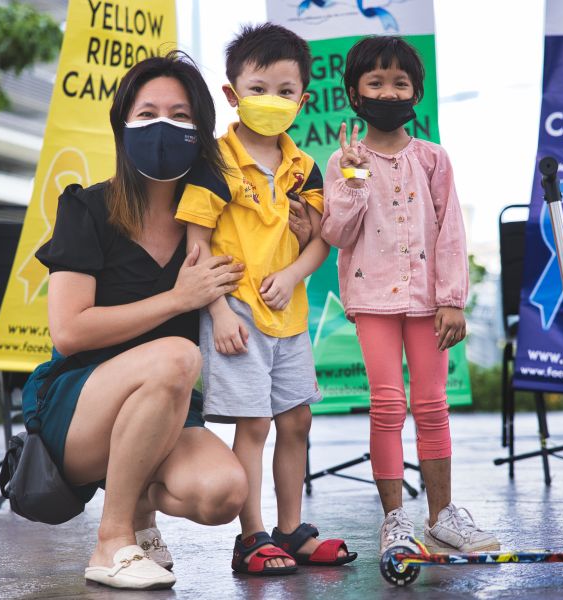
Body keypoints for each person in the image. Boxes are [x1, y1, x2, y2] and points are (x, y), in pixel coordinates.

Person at [20, 52, 249, 591]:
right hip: (80, 408)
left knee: (223, 493)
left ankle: (140, 507)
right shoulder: (88, 209)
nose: (163, 127)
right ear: (122, 125)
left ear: (201, 130)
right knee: (178, 355)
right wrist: (177, 299)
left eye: (180, 115)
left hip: (167, 409)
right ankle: (113, 540)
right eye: (147, 114)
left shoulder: (213, 222)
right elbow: (69, 332)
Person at [175, 23, 357, 575]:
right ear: (233, 95)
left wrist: (295, 273)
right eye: (258, 89)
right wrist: (216, 312)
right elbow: (196, 246)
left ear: (302, 100)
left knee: (297, 420)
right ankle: (251, 537)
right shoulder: (215, 161)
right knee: (252, 426)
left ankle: (290, 530)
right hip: (237, 315)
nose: (271, 100)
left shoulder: (306, 167)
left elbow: (321, 239)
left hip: (290, 317)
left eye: (284, 91)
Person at [321, 36, 501, 557]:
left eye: (400, 82)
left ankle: (442, 516)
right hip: (371, 299)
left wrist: (452, 298)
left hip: (428, 302)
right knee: (386, 404)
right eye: (375, 82)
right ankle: (394, 520)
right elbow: (337, 233)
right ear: (354, 94)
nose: (388, 92)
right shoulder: (344, 162)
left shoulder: (433, 158)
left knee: (432, 404)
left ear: (416, 93)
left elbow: (451, 230)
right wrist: (353, 177)